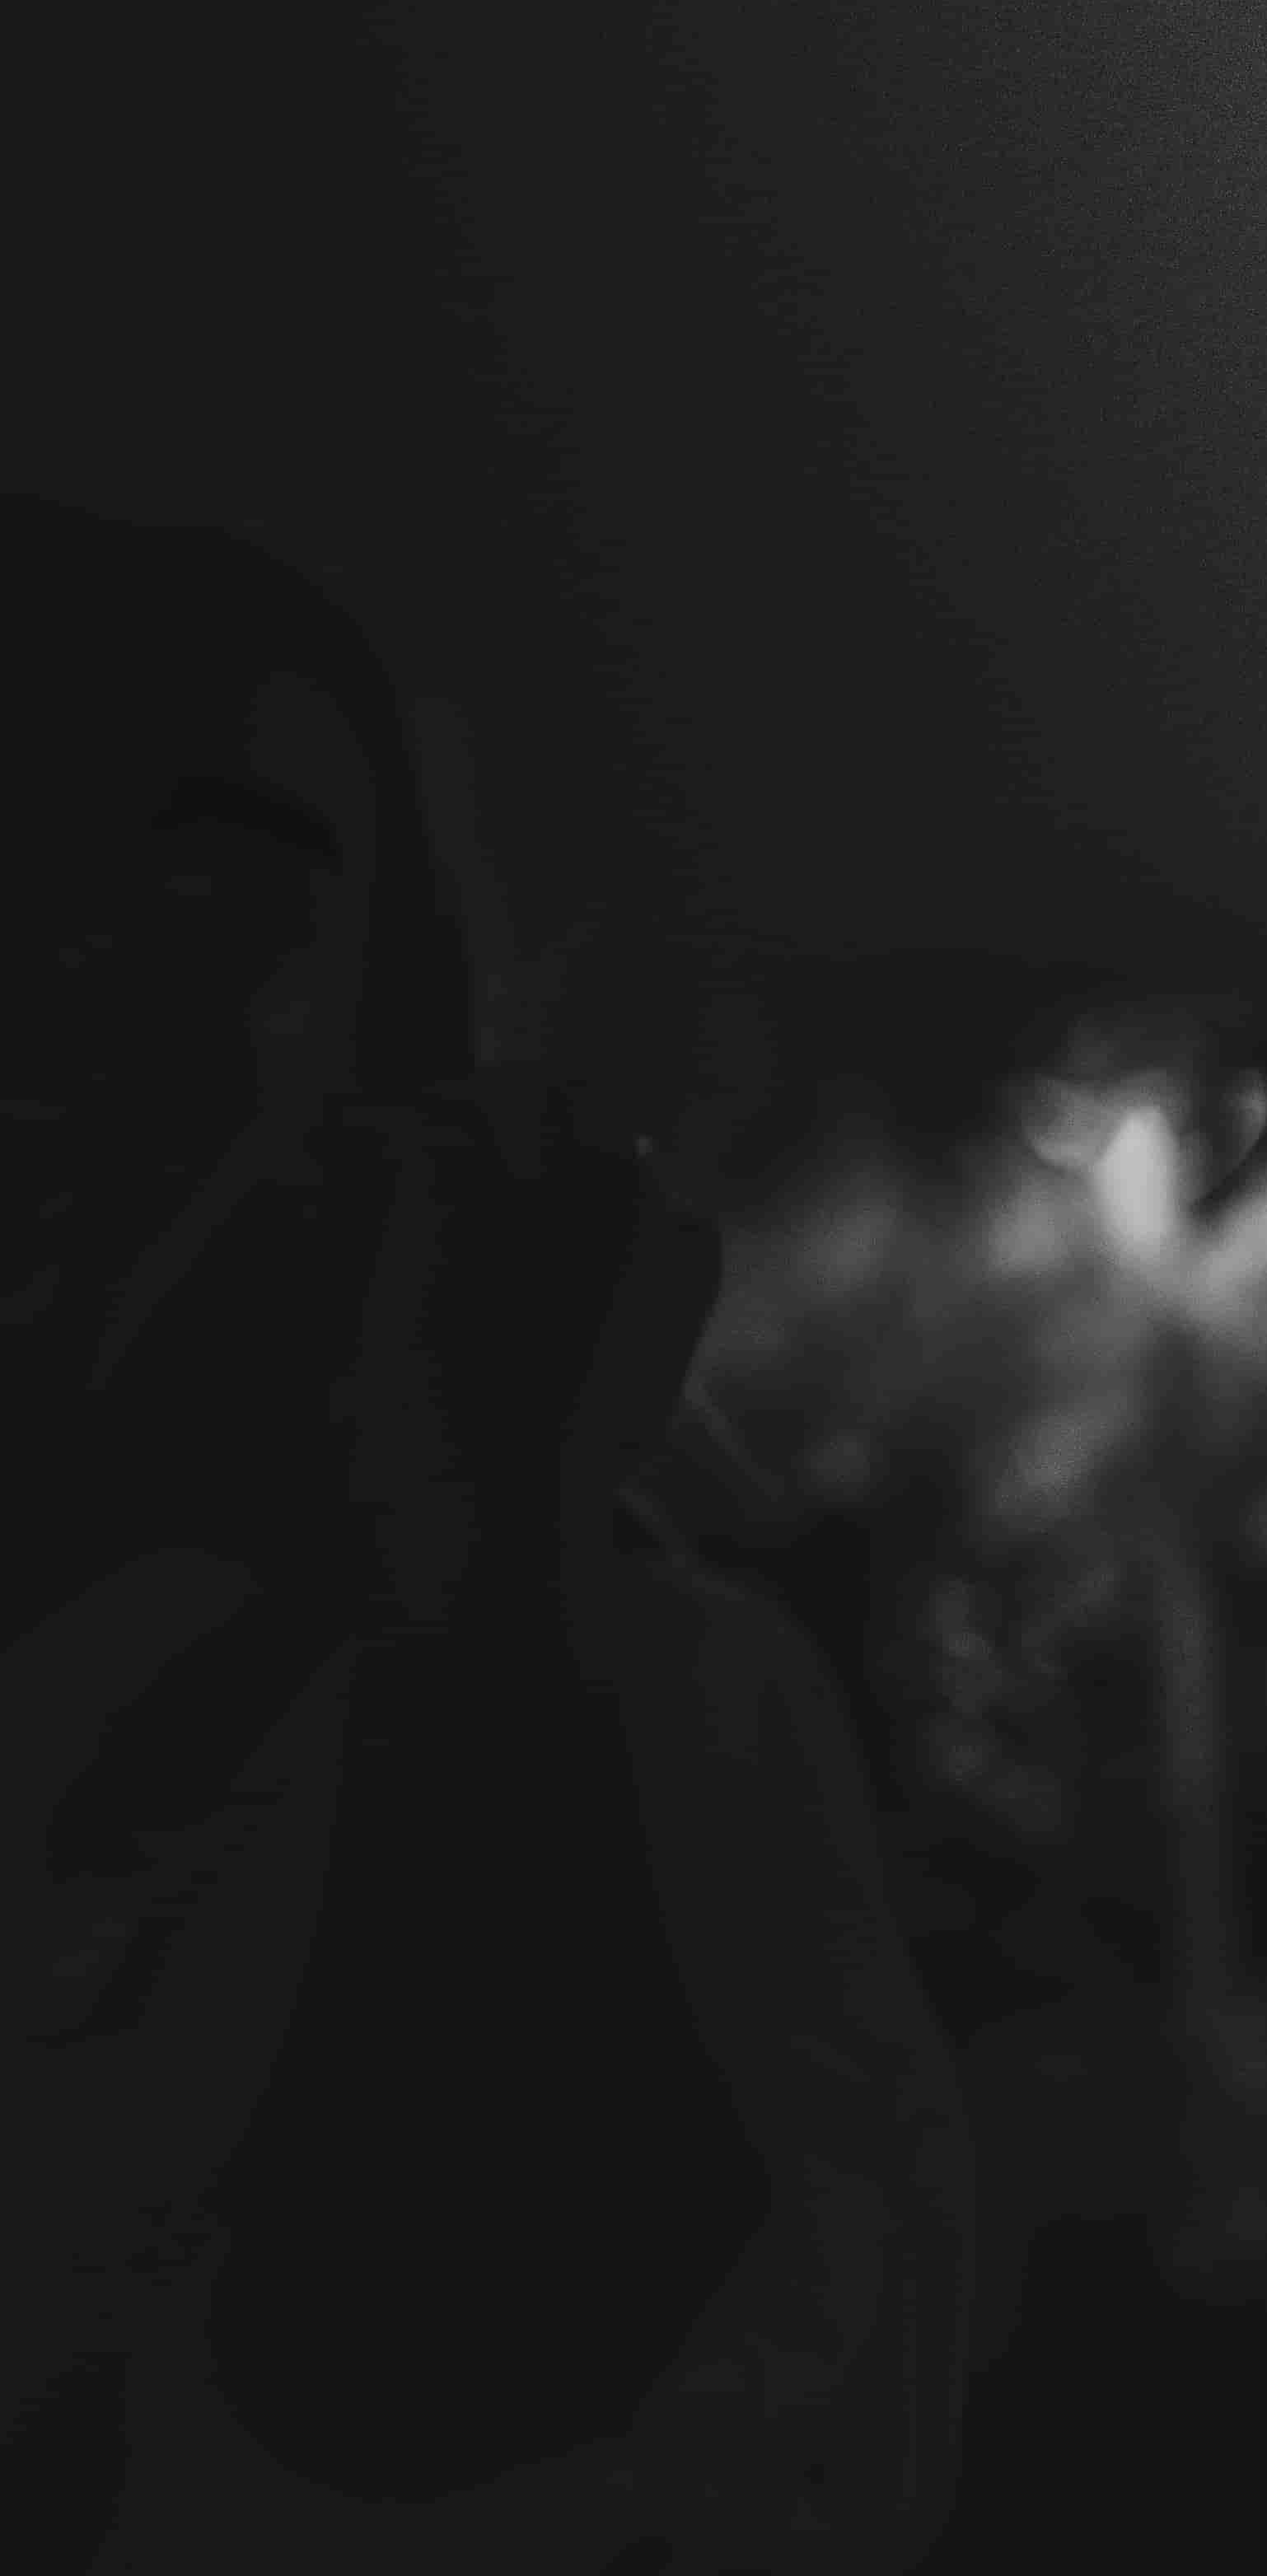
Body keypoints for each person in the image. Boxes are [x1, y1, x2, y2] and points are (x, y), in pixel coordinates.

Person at [4, 501, 975, 2571]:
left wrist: (487, 1590)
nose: (57, 973)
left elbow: (521, 2400)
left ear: (380, 1037)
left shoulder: (651, 1697)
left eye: (212, 899)